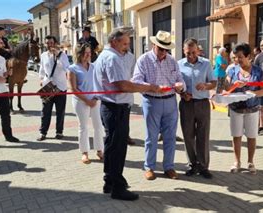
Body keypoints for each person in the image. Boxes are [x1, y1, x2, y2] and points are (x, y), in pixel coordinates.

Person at [94, 28, 162, 201]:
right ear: (114, 42)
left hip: (111, 107)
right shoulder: (112, 58)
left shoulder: (108, 56)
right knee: (117, 149)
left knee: (111, 146)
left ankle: (109, 181)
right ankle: (118, 187)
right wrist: (148, 87)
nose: (127, 47)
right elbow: (122, 86)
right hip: (116, 108)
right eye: (124, 43)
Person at [132, 30, 185, 181]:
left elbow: (180, 79)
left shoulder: (172, 60)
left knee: (170, 137)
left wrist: (181, 86)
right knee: (151, 137)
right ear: (153, 44)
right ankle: (149, 167)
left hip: (170, 101)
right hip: (151, 101)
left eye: (166, 49)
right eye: (161, 48)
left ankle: (169, 166)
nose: (163, 52)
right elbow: (135, 81)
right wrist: (152, 87)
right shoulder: (143, 60)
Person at [224, 43, 263, 174]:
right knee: (236, 136)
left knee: (251, 136)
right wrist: (229, 83)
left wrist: (253, 93)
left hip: (252, 109)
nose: (237, 60)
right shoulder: (232, 70)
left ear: (249, 57)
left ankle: (250, 162)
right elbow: (226, 88)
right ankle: (237, 162)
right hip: (236, 109)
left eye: (240, 57)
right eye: (235, 57)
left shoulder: (258, 71)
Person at [178, 38, 216, 179]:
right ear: (184, 51)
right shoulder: (178, 65)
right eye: (188, 53)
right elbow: (176, 84)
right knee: (188, 136)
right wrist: (181, 93)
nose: (191, 56)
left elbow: (213, 82)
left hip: (202, 104)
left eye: (194, 52)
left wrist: (206, 86)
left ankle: (203, 166)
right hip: (186, 104)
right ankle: (192, 165)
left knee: (203, 135)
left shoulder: (206, 64)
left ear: (198, 50)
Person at [67, 43, 104, 164]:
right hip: (81, 101)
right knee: (83, 127)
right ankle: (84, 153)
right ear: (79, 54)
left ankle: (100, 150)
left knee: (98, 126)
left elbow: (99, 84)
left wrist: (96, 99)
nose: (88, 55)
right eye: (85, 53)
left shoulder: (94, 67)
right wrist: (87, 101)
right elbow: (73, 89)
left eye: (89, 52)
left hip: (95, 100)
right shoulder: (72, 69)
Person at [37, 35, 70, 141]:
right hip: (48, 86)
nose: (49, 45)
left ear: (55, 43)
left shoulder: (63, 55)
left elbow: (67, 68)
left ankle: (59, 132)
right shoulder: (43, 55)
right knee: (45, 111)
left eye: (51, 43)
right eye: (47, 43)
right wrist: (41, 79)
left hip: (60, 86)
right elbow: (41, 69)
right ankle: (43, 132)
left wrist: (58, 56)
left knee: (60, 111)